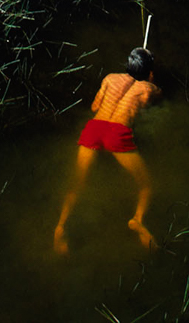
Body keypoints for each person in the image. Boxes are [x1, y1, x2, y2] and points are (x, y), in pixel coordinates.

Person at [54, 47, 161, 254]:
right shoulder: (149, 88)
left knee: (78, 181)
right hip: (117, 134)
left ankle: (61, 225)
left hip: (94, 129)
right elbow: (153, 102)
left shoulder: (110, 78)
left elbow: (95, 107)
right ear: (148, 72)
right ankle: (137, 220)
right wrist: (151, 79)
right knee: (147, 185)